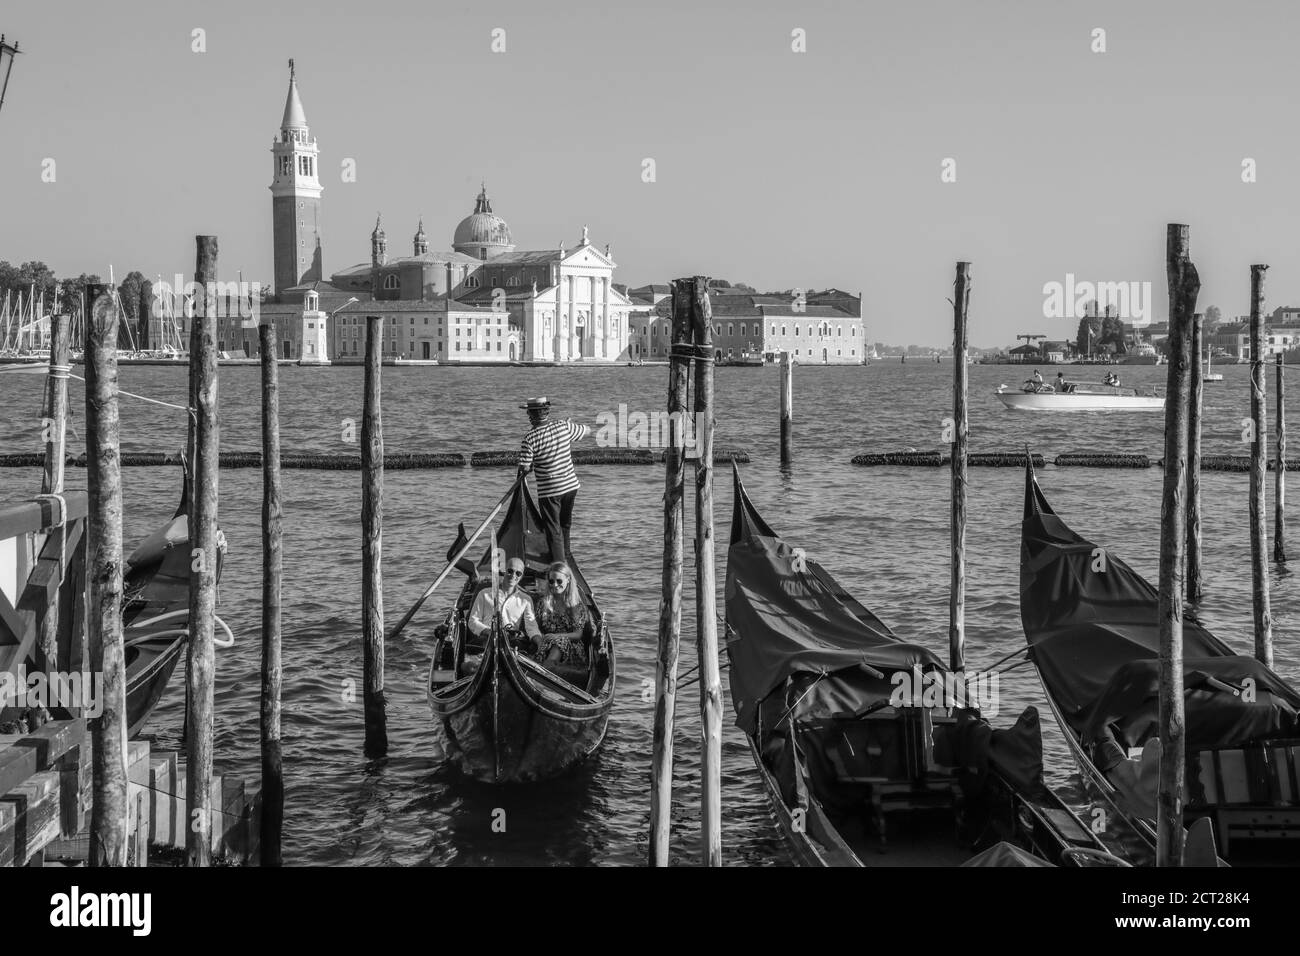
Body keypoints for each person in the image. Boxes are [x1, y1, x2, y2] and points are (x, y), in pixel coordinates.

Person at [516, 397, 590, 562]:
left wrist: (533, 462)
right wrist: (567, 430)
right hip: (571, 486)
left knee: (553, 530)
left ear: (531, 415)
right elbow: (587, 430)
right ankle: (566, 556)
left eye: (528, 412)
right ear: (547, 412)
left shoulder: (530, 438)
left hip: (550, 491)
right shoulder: (563, 426)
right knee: (565, 524)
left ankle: (558, 563)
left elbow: (524, 467)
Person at [467, 556, 541, 648]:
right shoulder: (484, 593)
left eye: (518, 573)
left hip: (511, 641)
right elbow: (473, 621)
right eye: (510, 571)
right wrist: (488, 631)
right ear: (504, 570)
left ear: (521, 577)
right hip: (486, 639)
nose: (513, 575)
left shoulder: (526, 599)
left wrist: (540, 642)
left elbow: (531, 627)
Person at [534, 561, 591, 666]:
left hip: (571, 646)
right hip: (547, 643)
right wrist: (542, 639)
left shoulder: (576, 606)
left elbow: (578, 635)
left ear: (568, 579)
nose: (555, 585)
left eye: (559, 581)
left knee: (560, 642)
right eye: (551, 581)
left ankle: (548, 667)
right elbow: (536, 627)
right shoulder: (543, 603)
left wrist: (556, 636)